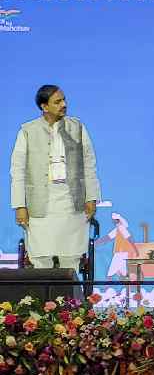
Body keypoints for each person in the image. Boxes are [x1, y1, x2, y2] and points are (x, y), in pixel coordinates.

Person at [10, 85, 100, 269]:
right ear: (44, 106)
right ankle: (42, 299)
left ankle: (71, 298)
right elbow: (17, 171)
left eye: (64, 100)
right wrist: (20, 206)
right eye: (57, 102)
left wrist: (92, 197)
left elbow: (89, 165)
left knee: (71, 258)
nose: (64, 104)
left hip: (71, 202)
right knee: (41, 259)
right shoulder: (28, 131)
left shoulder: (77, 128)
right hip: (40, 203)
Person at [95, 212, 139, 278]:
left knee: (110, 273)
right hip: (120, 252)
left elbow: (130, 239)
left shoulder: (121, 228)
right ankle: (129, 279)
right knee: (121, 273)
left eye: (114, 220)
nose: (113, 222)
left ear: (117, 220)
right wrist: (96, 243)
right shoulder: (118, 229)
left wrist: (136, 250)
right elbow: (108, 237)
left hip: (121, 253)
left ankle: (107, 287)